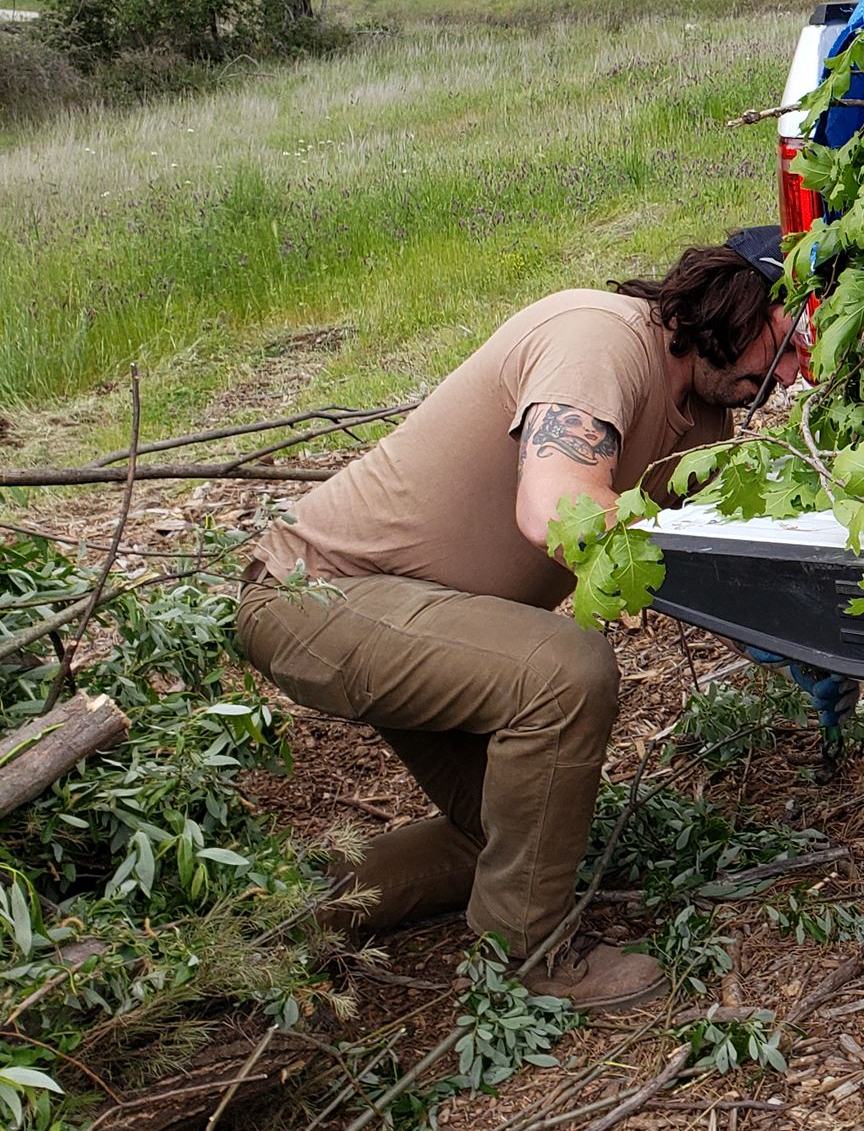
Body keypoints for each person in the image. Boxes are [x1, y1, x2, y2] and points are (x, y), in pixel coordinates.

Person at [235, 229, 808, 1009]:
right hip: (322, 595)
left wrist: (786, 635)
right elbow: (557, 513)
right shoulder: (599, 338)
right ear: (740, 302)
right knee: (564, 674)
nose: (797, 371)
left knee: (515, 832)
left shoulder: (703, 423)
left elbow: (697, 567)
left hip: (440, 617)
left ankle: (256, 931)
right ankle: (531, 961)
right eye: (794, 338)